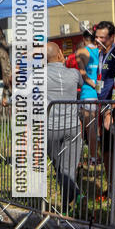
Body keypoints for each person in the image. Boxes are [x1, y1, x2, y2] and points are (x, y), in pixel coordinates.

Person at [46, 42, 83, 210]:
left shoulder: (38, 76)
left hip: (50, 128)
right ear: (60, 54)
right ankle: (74, 197)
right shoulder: (74, 73)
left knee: (59, 166)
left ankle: (67, 204)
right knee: (66, 168)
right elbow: (83, 83)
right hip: (72, 126)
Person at [94, 21, 115, 196]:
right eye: (97, 37)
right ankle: (110, 186)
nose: (98, 40)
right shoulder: (101, 54)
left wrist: (111, 108)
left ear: (111, 38)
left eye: (102, 38)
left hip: (113, 108)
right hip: (102, 106)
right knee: (105, 150)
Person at [75, 29, 99, 164]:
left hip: (87, 92)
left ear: (84, 38)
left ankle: (91, 158)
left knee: (86, 127)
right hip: (96, 93)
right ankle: (93, 156)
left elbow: (83, 73)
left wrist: (90, 83)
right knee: (93, 127)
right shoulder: (98, 51)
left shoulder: (81, 52)